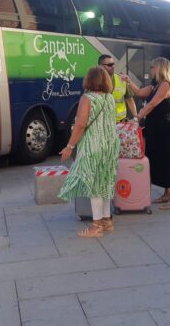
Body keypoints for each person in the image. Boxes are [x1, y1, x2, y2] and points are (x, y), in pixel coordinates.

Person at [58, 66, 120, 238]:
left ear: (89, 80)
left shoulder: (87, 98)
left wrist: (69, 147)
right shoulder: (109, 98)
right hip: (110, 146)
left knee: (94, 185)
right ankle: (107, 221)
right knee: (105, 182)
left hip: (94, 145)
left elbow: (80, 124)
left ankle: (96, 226)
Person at [121, 57, 170, 209]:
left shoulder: (165, 85)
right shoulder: (155, 85)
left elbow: (153, 103)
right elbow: (140, 92)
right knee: (156, 159)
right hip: (154, 126)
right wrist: (128, 81)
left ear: (159, 68)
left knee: (165, 160)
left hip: (162, 127)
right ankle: (166, 194)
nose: (151, 70)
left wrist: (138, 117)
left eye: (153, 67)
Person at [99, 54, 137, 123]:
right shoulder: (94, 82)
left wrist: (135, 117)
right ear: (100, 66)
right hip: (103, 123)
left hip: (120, 123)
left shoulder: (121, 79)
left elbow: (130, 99)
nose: (113, 67)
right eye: (110, 65)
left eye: (113, 64)